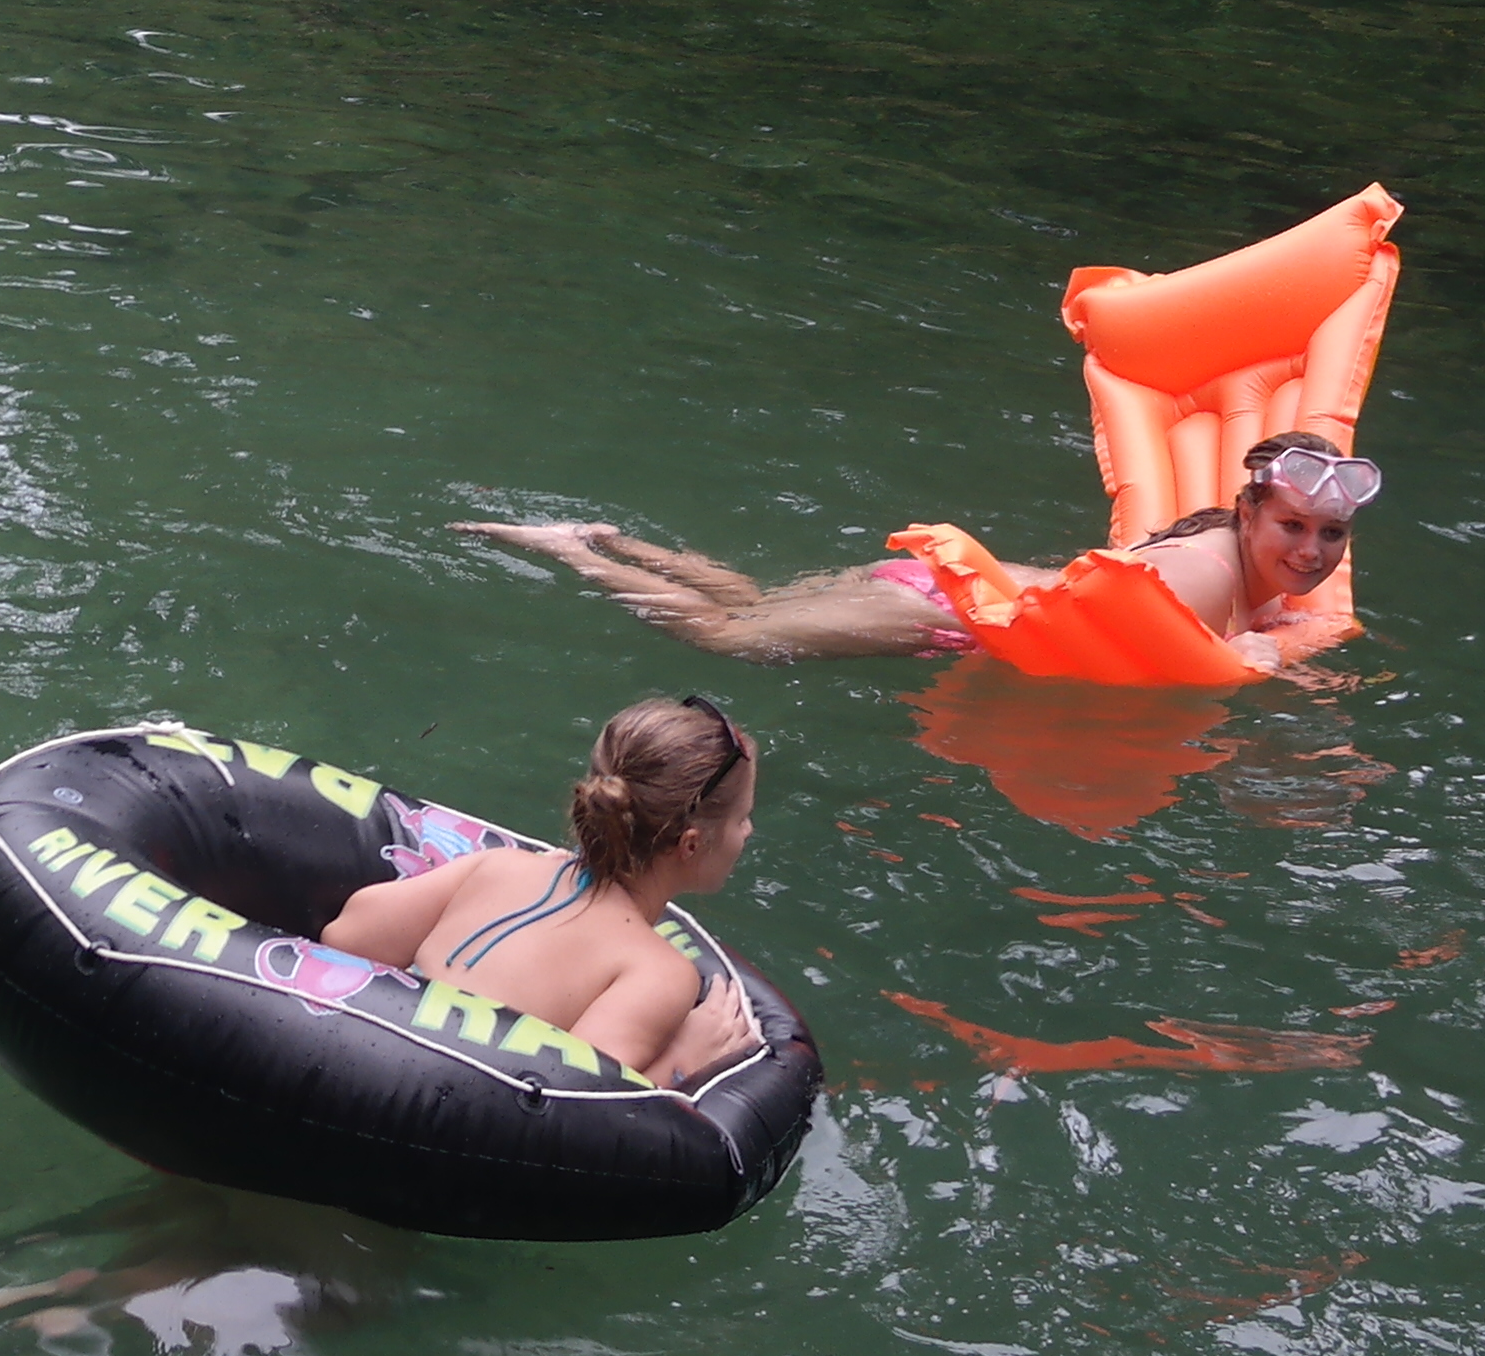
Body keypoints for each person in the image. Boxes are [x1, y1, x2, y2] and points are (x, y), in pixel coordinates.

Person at [462, 430, 1382, 665]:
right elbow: (1185, 672)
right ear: (1249, 515)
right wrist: (1253, 660)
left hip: (937, 589)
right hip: (929, 606)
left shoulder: (1230, 551)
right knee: (726, 639)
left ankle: (609, 536)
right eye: (1291, 527)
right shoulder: (1216, 572)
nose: (1309, 550)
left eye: (1328, 534)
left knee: (749, 597)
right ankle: (570, 551)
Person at [312, 695, 769, 1083]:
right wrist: (686, 1057)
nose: (747, 832)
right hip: (431, 1121)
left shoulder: (500, 867)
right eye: (742, 818)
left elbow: (344, 939)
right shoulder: (658, 973)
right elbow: (576, 1110)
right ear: (690, 844)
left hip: (337, 1058)